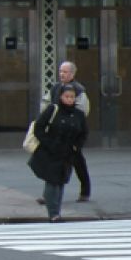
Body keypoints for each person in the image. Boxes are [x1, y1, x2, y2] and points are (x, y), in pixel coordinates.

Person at [29, 83, 88, 222]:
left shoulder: (78, 114)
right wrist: (49, 143)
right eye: (67, 96)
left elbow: (84, 133)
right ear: (60, 97)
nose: (69, 99)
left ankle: (57, 211)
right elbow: (39, 128)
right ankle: (53, 213)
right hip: (51, 151)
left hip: (68, 152)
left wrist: (76, 146)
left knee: (61, 181)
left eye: (72, 97)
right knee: (52, 181)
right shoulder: (52, 109)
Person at [40, 61, 91, 201]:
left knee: (78, 162)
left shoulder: (79, 90)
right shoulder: (56, 87)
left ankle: (85, 191)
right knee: (52, 163)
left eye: (65, 71)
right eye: (60, 71)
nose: (62, 74)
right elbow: (46, 102)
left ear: (73, 73)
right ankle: (48, 195)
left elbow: (82, 110)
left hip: (71, 135)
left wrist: (73, 125)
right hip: (57, 132)